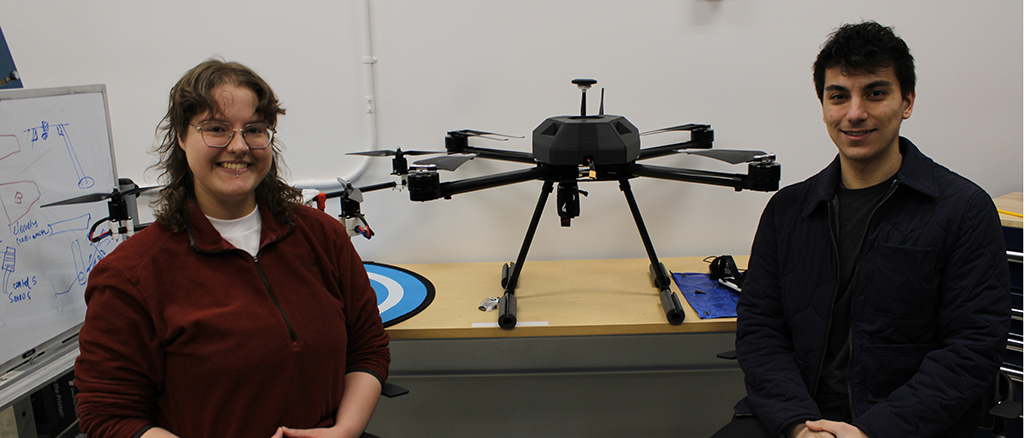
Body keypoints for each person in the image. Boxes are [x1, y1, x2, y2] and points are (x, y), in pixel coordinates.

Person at [713, 21, 1011, 438]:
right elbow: (760, 329)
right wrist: (798, 424)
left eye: (875, 93)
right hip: (800, 416)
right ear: (823, 106)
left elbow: (974, 348)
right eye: (839, 96)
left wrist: (872, 431)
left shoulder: (963, 209)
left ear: (906, 102)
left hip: (911, 424)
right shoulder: (788, 211)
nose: (855, 113)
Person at [73, 59, 391, 438]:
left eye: (254, 130)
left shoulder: (322, 236)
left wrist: (344, 431)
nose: (238, 146)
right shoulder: (131, 275)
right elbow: (108, 416)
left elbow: (367, 348)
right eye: (216, 129)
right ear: (180, 136)